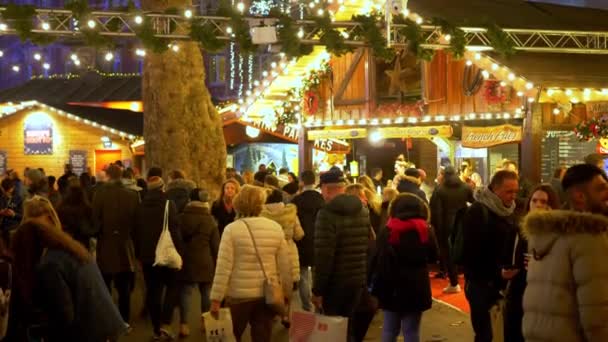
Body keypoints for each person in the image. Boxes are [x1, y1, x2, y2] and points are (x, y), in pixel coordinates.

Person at [11, 196, 127, 341]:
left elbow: (64, 316)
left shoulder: (51, 263)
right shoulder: (70, 247)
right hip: (105, 325)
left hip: (91, 332)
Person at [522, 164, 608, 342]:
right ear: (580, 196)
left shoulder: (546, 233)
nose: (607, 193)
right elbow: (597, 312)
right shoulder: (587, 238)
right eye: (600, 188)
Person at [209, 185, 292, 342]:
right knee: (262, 337)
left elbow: (223, 268)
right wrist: (286, 293)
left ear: (238, 203)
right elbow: (284, 265)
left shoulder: (231, 230)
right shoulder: (275, 228)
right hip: (266, 295)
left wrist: (216, 300)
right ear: (261, 204)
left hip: (239, 295)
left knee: (232, 336)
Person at [462, 170, 520, 342]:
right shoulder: (478, 211)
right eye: (509, 191)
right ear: (495, 189)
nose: (513, 196)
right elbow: (471, 254)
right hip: (481, 284)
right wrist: (497, 272)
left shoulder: (512, 211)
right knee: (486, 334)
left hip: (505, 283)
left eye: (516, 191)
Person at [312, 169, 369, 342]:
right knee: (349, 327)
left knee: (332, 331)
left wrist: (318, 290)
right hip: (357, 279)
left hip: (334, 285)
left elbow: (324, 256)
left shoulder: (326, 214)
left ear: (326, 189)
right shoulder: (363, 211)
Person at [372, 193, 432, 342]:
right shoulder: (426, 229)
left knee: (389, 329)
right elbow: (433, 256)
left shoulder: (388, 230)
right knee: (411, 331)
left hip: (392, 287)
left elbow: (377, 259)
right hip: (417, 286)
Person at [503, 184, 559, 342]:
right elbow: (507, 259)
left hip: (548, 296)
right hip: (520, 292)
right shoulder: (519, 230)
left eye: (544, 201)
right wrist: (504, 272)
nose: (538, 205)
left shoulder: (559, 233)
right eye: (534, 201)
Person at [134, 175, 184, 339]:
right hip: (167, 252)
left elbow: (135, 232)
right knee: (173, 286)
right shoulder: (169, 204)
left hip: (148, 256)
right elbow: (175, 230)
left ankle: (156, 328)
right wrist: (180, 252)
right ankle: (166, 323)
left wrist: (139, 254)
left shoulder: (140, 206)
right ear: (163, 188)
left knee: (153, 291)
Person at [91, 164, 139, 327]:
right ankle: (124, 321)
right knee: (124, 287)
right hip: (126, 246)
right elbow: (136, 222)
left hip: (105, 246)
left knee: (105, 287)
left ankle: (106, 319)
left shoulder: (99, 194)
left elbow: (95, 221)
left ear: (108, 176)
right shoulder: (133, 195)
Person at [177, 188, 219, 337]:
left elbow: (177, 240)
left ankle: (183, 324)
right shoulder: (210, 220)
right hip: (205, 261)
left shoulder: (181, 218)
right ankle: (204, 321)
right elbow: (215, 246)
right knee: (206, 292)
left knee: (185, 292)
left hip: (186, 259)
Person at [261, 188, 304, 327]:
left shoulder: (261, 214)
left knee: (270, 284)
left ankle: (272, 313)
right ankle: (286, 315)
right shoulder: (291, 213)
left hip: (268, 251)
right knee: (287, 285)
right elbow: (299, 234)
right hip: (288, 251)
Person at [429, 166, 474, 293]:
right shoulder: (465, 187)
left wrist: (435, 226)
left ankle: (454, 283)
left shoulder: (440, 189)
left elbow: (435, 210)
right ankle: (467, 278)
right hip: (462, 224)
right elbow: (474, 202)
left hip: (445, 226)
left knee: (447, 255)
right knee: (463, 251)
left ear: (443, 175)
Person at [291, 170, 324, 312]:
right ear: (315, 181)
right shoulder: (321, 199)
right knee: (319, 273)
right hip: (319, 238)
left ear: (302, 182)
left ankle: (306, 305)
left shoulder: (296, 200)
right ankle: (319, 303)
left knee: (303, 274)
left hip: (302, 240)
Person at [56, 185, 95, 250]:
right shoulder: (86, 209)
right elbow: (90, 226)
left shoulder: (61, 209)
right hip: (82, 241)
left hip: (66, 240)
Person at [0, 178, 22, 247]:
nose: (6, 194)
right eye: (5, 192)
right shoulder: (1, 196)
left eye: (8, 191)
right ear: (2, 189)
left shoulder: (19, 198)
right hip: (2, 227)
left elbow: (23, 216)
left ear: (13, 188)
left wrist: (14, 214)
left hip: (13, 228)